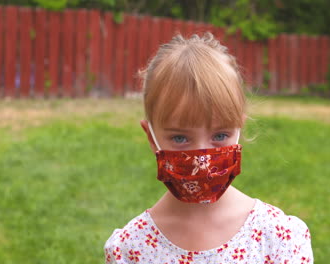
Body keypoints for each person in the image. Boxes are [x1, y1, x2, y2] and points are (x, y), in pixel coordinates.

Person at [104, 33, 313, 263]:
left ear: (238, 130)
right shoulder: (131, 249)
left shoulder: (279, 239)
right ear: (151, 137)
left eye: (220, 135)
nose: (201, 157)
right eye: (181, 138)